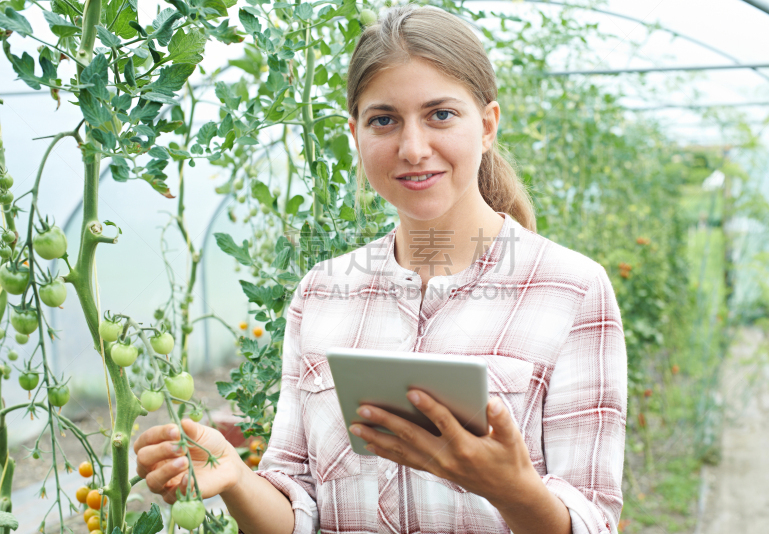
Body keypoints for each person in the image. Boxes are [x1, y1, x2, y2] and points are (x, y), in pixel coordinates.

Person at [133, 4, 627, 534]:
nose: (413, 149)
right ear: (355, 133)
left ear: (487, 126)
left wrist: (513, 490)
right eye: (384, 120)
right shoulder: (323, 292)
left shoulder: (570, 289)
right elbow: (296, 506)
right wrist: (235, 479)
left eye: (441, 114)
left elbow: (592, 520)